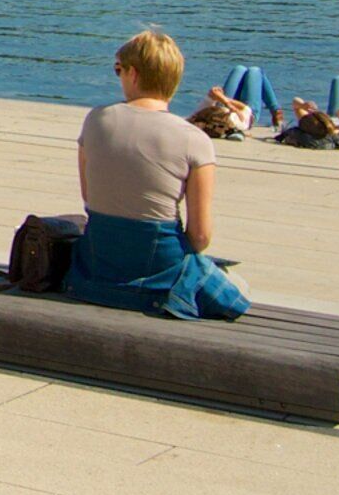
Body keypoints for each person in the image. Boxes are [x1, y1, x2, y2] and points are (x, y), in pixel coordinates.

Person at [65, 28, 248, 321]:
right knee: (237, 285)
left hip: (96, 267)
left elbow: (89, 195)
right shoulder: (193, 139)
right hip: (159, 275)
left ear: (133, 74)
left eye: (118, 70)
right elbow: (200, 236)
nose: (119, 77)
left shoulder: (96, 119)